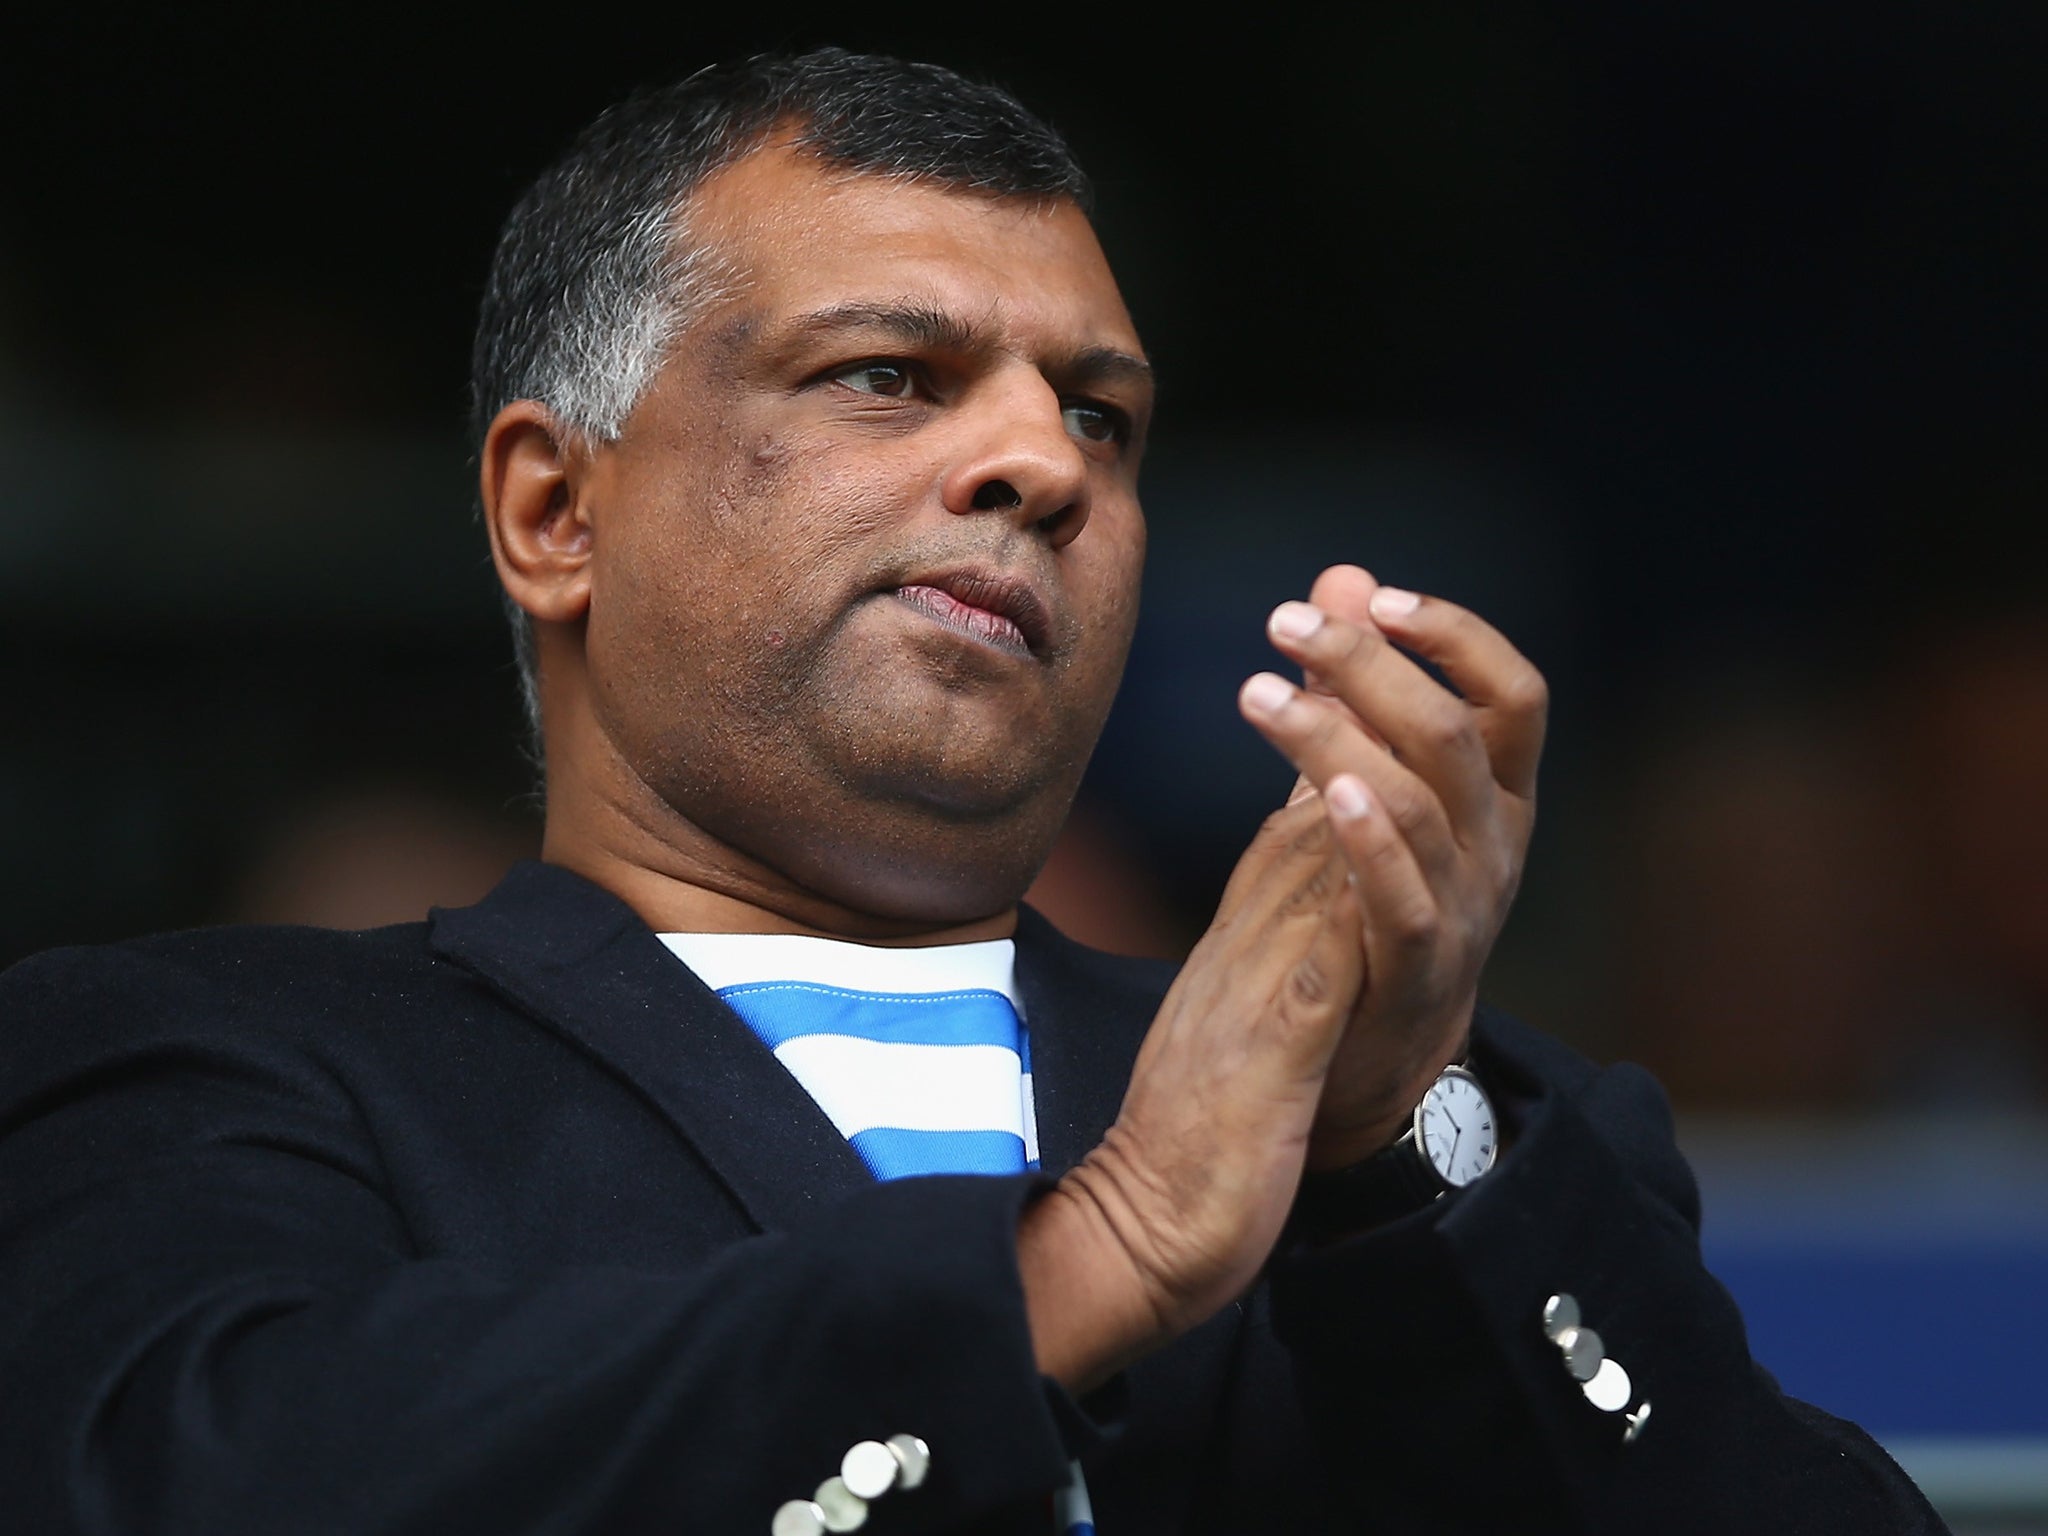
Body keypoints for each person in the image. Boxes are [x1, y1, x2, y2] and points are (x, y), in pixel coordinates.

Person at [0, 49, 1943, 1536]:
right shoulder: (217, 1065)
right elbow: (211, 1475)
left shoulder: (1438, 1136)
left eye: (1099, 412)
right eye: (888, 376)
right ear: (551, 509)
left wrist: (1385, 1160)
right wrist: (1089, 1257)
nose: (1043, 460)